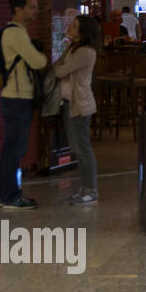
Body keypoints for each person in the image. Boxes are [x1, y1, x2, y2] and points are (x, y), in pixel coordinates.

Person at [0, 0, 48, 209]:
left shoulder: (17, 32)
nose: (36, 11)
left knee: (14, 148)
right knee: (13, 149)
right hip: (17, 99)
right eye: (32, 7)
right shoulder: (16, 34)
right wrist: (43, 56)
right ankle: (10, 196)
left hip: (16, 97)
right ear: (19, 9)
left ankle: (10, 194)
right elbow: (37, 62)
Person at [51, 14, 101, 204]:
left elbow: (60, 70)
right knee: (77, 148)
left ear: (83, 31)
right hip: (69, 103)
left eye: (74, 26)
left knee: (83, 149)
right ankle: (85, 188)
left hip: (80, 105)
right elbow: (59, 66)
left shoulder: (85, 52)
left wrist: (59, 66)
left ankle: (91, 189)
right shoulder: (73, 48)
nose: (70, 27)